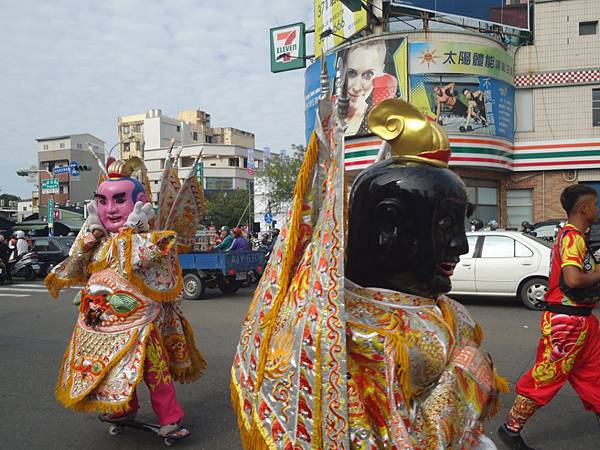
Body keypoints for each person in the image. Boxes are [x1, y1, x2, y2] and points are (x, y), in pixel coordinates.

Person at [231, 98, 505, 449]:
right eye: (445, 225)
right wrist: (466, 372)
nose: (460, 245)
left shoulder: (450, 312)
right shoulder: (344, 338)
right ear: (388, 226)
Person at [45, 157, 206, 440]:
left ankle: (170, 416)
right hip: (101, 322)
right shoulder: (97, 237)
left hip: (141, 320)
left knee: (153, 370)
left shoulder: (151, 237)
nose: (110, 209)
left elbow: (147, 256)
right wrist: (89, 237)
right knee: (111, 368)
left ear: (140, 202)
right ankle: (122, 407)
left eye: (119, 200)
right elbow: (74, 267)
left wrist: (132, 230)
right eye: (102, 201)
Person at [499, 184, 600, 450]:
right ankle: (511, 428)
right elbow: (574, 279)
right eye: (595, 204)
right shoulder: (572, 238)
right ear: (584, 208)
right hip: (568, 322)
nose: (597, 209)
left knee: (595, 375)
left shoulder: (577, 236)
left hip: (582, 320)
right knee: (546, 377)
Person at [342, 40, 393, 136]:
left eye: (368, 74)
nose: (357, 87)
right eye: (351, 73)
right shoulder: (330, 115)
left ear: (381, 72)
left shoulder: (385, 120)